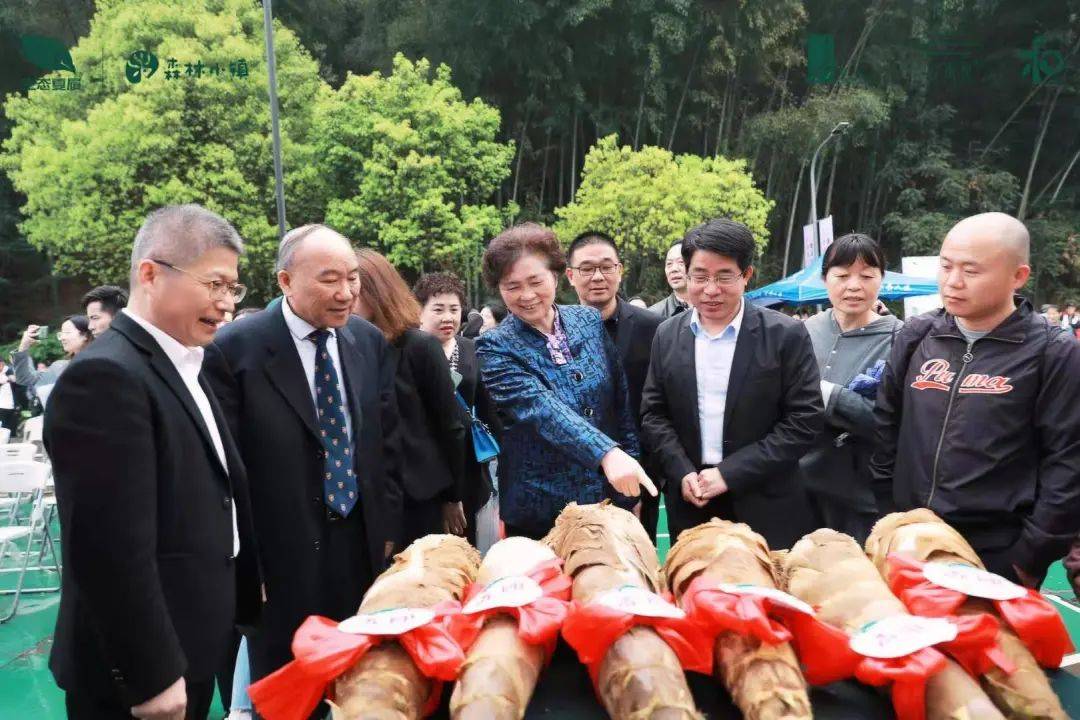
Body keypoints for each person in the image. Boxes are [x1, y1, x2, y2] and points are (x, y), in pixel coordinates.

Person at [44, 204, 260, 720]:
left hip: (194, 641)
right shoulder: (106, 378)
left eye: (233, 289)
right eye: (214, 284)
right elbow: (106, 549)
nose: (226, 303)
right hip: (141, 674)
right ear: (150, 274)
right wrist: (151, 675)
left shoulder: (189, 360)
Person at [204, 224, 403, 691]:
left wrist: (388, 528)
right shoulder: (234, 349)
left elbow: (384, 443)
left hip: (360, 544)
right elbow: (225, 472)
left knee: (362, 677)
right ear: (285, 281)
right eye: (329, 279)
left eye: (353, 278)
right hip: (279, 560)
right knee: (290, 687)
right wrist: (246, 563)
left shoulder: (366, 341)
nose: (347, 293)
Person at [871, 212, 1080, 587]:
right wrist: (890, 515)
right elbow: (886, 426)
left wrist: (1028, 557)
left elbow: (1067, 461)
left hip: (996, 554)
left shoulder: (1053, 351)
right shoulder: (918, 336)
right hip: (909, 541)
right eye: (946, 266)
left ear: (1018, 277)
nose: (953, 281)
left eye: (971, 270)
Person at [641, 218, 823, 549]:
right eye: (700, 276)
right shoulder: (667, 335)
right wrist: (681, 470)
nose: (711, 289)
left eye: (725, 276)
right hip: (692, 504)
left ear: (747, 275)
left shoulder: (785, 335)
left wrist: (729, 474)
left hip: (766, 505)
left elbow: (804, 421)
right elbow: (654, 413)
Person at [476, 223, 656, 539]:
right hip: (539, 511)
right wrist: (608, 454)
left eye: (535, 281)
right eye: (512, 286)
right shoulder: (494, 346)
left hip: (606, 502)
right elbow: (539, 408)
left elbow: (620, 405)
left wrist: (630, 486)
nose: (527, 295)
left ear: (557, 277)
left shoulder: (587, 321)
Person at [352, 249, 466, 547]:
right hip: (363, 495)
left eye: (354, 285)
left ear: (377, 291)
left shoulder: (418, 346)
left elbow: (450, 425)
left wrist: (452, 496)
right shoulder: (342, 345)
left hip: (419, 496)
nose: (344, 295)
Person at [799, 234, 902, 543]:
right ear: (825, 279)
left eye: (867, 276)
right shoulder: (802, 331)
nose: (854, 286)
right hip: (799, 488)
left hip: (863, 496)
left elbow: (893, 422)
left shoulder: (901, 339)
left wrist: (829, 395)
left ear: (882, 280)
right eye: (842, 276)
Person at [565, 230, 663, 539]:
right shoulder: (551, 330)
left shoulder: (653, 328)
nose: (597, 276)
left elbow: (658, 405)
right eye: (586, 268)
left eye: (606, 267)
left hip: (636, 468)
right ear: (570, 275)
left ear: (619, 271)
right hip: (572, 473)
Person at [414, 271, 502, 549]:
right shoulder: (409, 351)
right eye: (437, 309)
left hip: (468, 463)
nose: (447, 318)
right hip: (427, 465)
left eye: (454, 309)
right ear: (420, 311)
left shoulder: (472, 349)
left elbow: (488, 407)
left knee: (471, 544)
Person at [12, 315, 94, 408]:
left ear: (86, 335)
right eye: (61, 333)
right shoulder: (59, 367)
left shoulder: (100, 364)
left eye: (67, 332)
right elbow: (24, 379)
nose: (63, 337)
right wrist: (23, 346)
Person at [648, 242, 691, 318]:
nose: (674, 269)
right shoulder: (653, 315)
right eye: (669, 264)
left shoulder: (711, 308)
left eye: (681, 262)